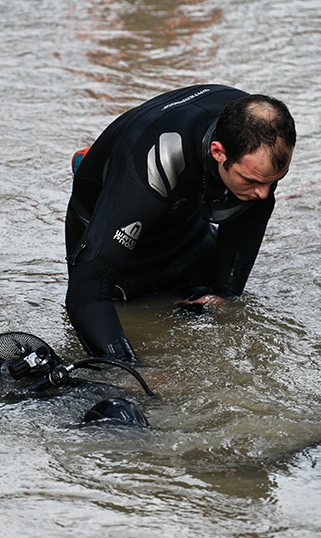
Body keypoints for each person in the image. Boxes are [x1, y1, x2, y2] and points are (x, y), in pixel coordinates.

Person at [65, 85, 296, 361]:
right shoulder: (154, 157)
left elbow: (251, 211)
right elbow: (85, 289)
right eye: (253, 181)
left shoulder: (252, 125)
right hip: (124, 251)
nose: (264, 193)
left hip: (187, 228)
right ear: (218, 152)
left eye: (273, 181)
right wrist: (127, 370)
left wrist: (226, 293)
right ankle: (95, 163)